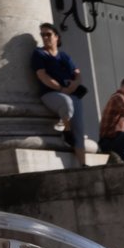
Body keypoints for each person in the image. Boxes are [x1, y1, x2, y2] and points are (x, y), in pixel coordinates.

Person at [34, 23, 90, 163]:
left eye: (48, 34)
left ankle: (83, 164)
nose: (45, 37)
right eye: (42, 35)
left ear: (57, 37)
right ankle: (65, 129)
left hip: (70, 92)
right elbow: (42, 76)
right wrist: (60, 89)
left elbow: (78, 74)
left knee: (79, 129)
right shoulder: (39, 54)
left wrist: (75, 84)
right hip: (50, 93)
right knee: (67, 103)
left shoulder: (64, 56)